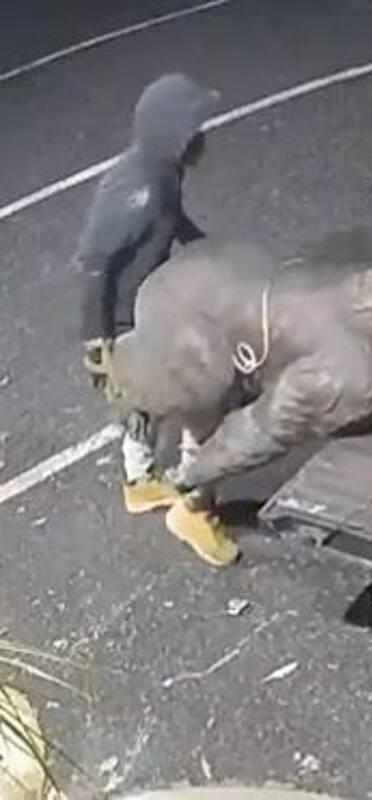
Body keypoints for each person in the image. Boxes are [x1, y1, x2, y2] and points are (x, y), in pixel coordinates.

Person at [102, 239, 372, 566]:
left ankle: (147, 456)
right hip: (196, 323)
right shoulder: (347, 375)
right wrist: (192, 474)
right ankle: (192, 509)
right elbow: (259, 431)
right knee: (203, 409)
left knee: (166, 378)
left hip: (204, 275)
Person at [76, 73, 220, 515]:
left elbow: (170, 217)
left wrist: (207, 248)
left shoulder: (162, 173)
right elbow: (95, 262)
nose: (201, 137)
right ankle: (140, 481)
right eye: (193, 129)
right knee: (142, 394)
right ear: (171, 132)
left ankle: (149, 468)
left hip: (149, 298)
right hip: (125, 313)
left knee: (155, 386)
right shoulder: (142, 185)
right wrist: (97, 341)